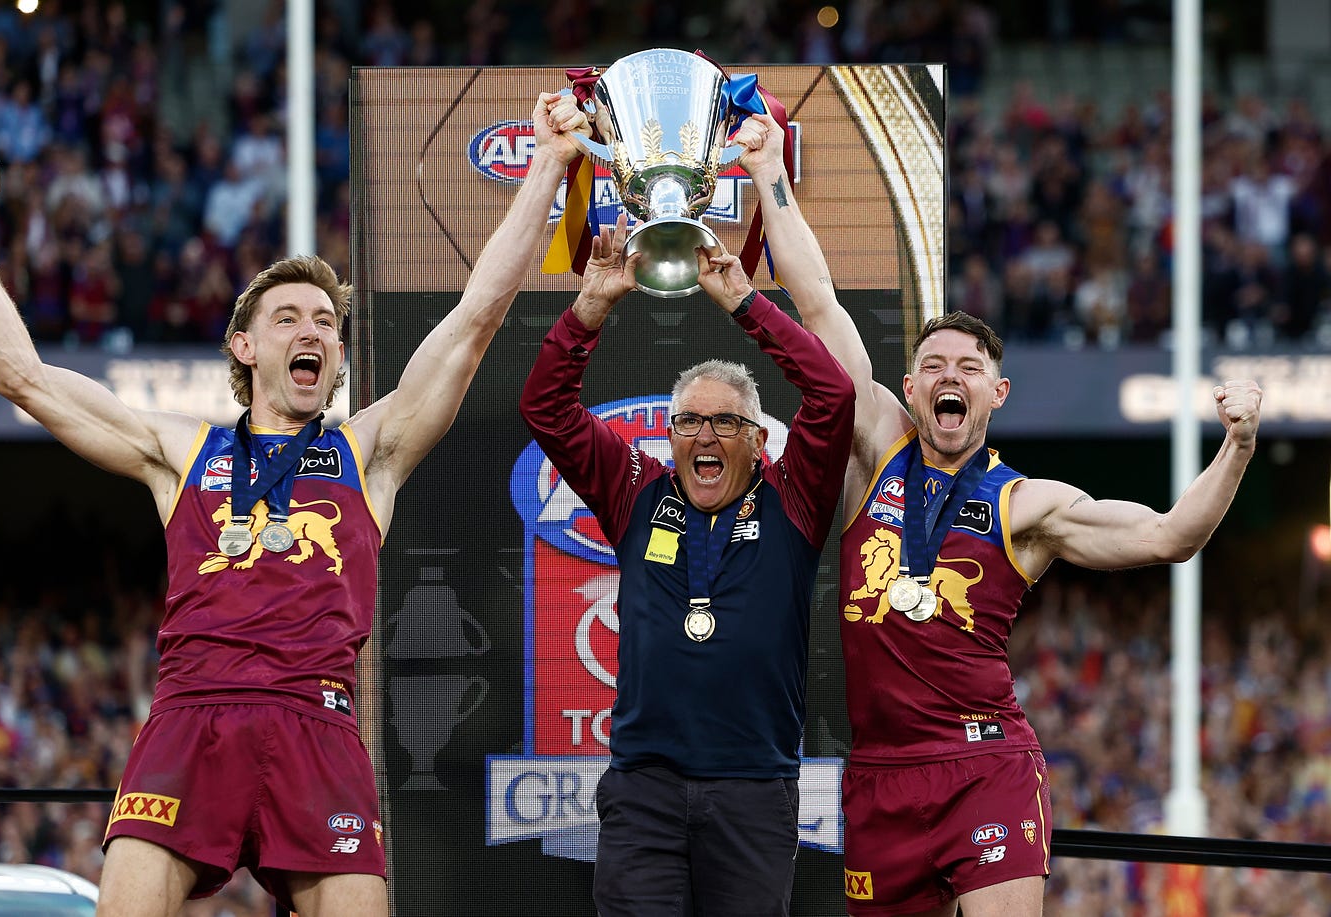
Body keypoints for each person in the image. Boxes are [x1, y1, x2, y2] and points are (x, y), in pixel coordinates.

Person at [0, 91, 587, 917]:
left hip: (316, 718)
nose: (311, 329)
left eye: (325, 320)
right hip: (189, 715)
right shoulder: (183, 451)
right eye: (288, 317)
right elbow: (20, 377)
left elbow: (474, 319)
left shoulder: (364, 450)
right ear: (246, 346)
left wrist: (549, 167)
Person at [729, 112, 1263, 916]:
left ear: (995, 393)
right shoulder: (877, 448)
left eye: (969, 367)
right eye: (933, 365)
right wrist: (770, 172)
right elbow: (820, 304)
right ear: (910, 391)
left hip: (986, 765)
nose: (950, 376)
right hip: (880, 775)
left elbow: (1170, 535)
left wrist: (1241, 442)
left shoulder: (1026, 503)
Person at [519, 217, 856, 916]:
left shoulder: (793, 497)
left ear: (758, 440)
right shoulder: (636, 489)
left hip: (755, 790)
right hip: (647, 789)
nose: (704, 435)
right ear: (669, 436)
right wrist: (590, 309)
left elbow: (834, 396)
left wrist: (745, 303)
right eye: (688, 422)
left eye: (725, 422)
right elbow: (546, 408)